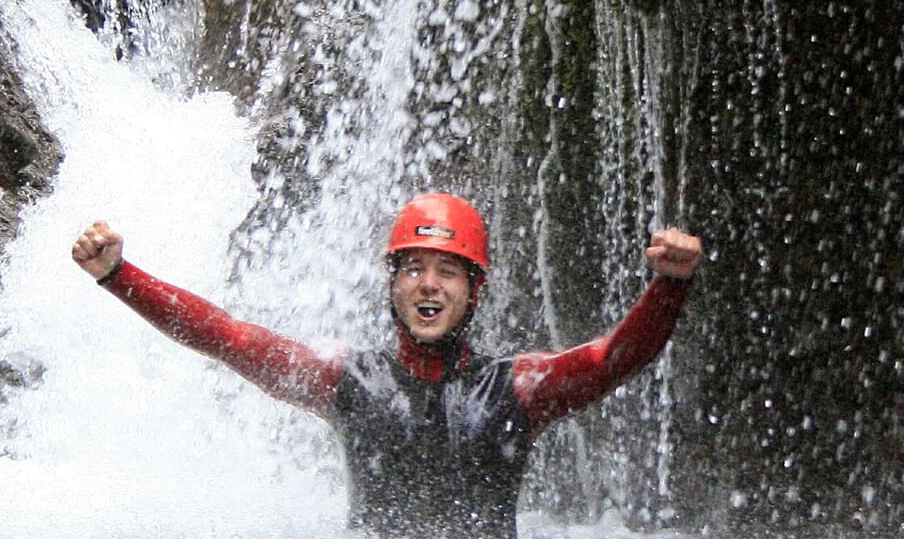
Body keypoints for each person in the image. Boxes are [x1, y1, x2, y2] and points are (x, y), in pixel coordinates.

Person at [72, 193, 702, 538]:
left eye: (447, 271)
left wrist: (667, 286)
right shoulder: (348, 381)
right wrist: (118, 276)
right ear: (392, 283)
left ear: (474, 290)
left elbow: (610, 360)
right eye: (412, 269)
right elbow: (229, 338)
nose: (428, 285)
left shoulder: (518, 389)